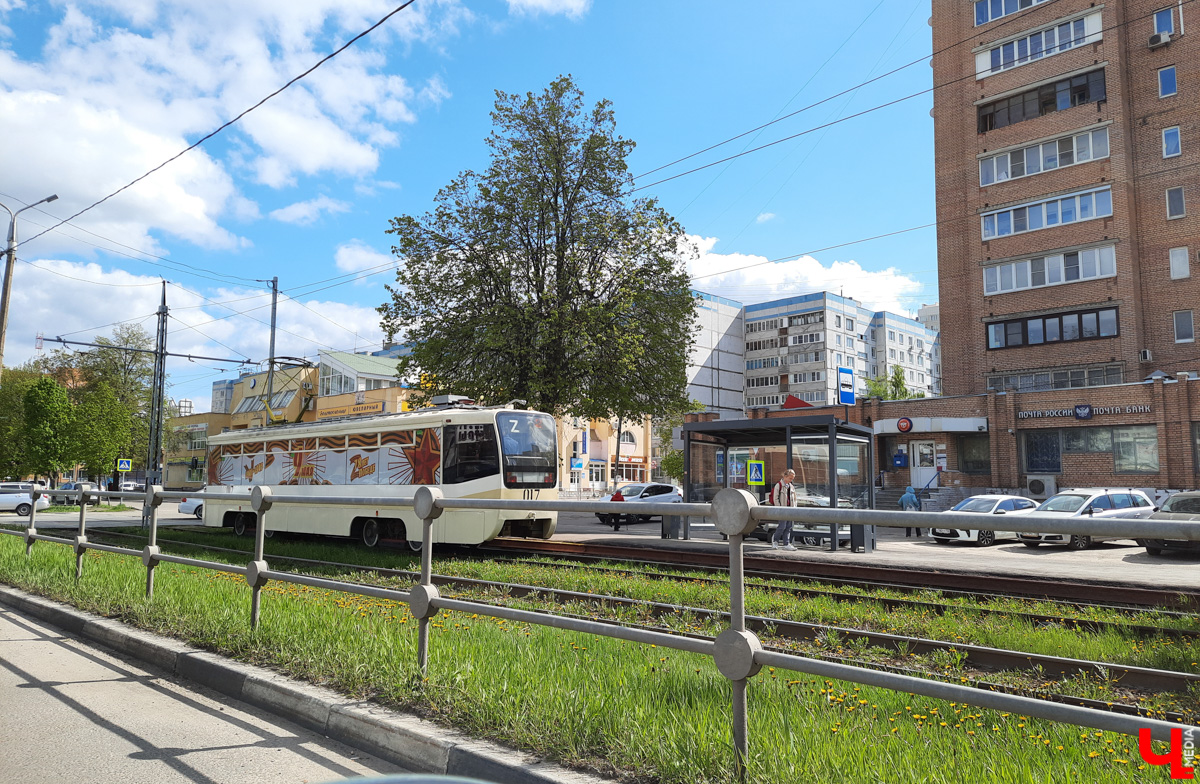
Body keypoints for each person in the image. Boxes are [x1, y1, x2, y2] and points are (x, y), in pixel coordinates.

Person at [770, 469, 798, 551]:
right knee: (782, 526)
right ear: (785, 477)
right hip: (782, 510)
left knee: (788, 527)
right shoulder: (779, 485)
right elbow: (775, 498)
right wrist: (779, 508)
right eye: (790, 478)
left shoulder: (791, 486)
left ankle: (786, 543)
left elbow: (795, 498)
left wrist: (795, 507)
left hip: (790, 510)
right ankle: (775, 540)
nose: (791, 480)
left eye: (792, 478)